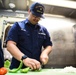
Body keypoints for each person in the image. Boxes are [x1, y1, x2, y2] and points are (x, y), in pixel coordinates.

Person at [6, 2, 53, 70]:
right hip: (18, 68)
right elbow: (10, 45)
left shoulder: (43, 30)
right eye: (34, 15)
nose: (36, 18)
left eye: (39, 16)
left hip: (36, 68)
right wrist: (24, 59)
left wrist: (45, 53)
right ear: (29, 11)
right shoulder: (17, 26)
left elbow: (49, 45)